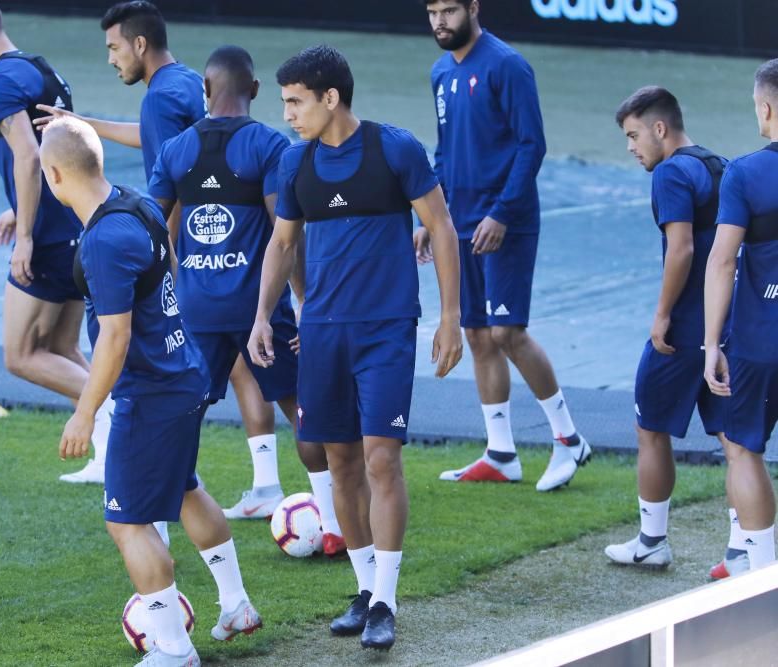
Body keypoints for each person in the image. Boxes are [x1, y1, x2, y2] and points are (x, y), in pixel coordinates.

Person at [249, 45, 463, 650]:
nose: (288, 113)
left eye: (295, 101)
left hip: (386, 329)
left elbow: (442, 228)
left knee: (380, 459)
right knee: (337, 459)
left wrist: (450, 320)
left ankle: (388, 601)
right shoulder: (295, 166)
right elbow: (283, 245)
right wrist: (263, 315)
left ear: (330, 98)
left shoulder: (395, 149)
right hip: (321, 331)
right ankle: (367, 591)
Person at [40, 116, 262, 666]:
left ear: (53, 174)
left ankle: (173, 647)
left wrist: (85, 413)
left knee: (127, 520)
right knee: (186, 489)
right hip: (184, 375)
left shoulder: (105, 240)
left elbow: (115, 337)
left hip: (152, 391)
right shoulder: (137, 204)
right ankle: (235, 605)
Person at [36, 1, 281, 491]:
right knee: (246, 370)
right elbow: (159, 142)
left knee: (203, 382)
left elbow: (173, 181)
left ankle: (175, 485)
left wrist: (161, 265)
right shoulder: (186, 81)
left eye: (113, 47)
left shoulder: (158, 99)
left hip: (200, 261)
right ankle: (266, 485)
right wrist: (83, 124)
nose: (110, 58)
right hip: (230, 254)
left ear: (139, 44)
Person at [148, 45, 345, 554]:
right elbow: (288, 238)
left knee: (177, 414)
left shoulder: (175, 151)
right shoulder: (270, 146)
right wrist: (303, 303)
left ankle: (160, 531)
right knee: (303, 408)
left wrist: (175, 282)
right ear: (255, 90)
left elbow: (151, 229)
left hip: (196, 312)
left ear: (205, 91)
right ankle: (330, 523)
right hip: (260, 309)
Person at [0, 0, 114, 485]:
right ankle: (109, 453)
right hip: (80, 224)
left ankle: (119, 412)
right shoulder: (41, 69)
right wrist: (20, 207)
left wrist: (26, 236)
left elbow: (30, 153)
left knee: (21, 356)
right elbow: (63, 152)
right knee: (61, 346)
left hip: (52, 238)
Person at [421, 0, 590, 491]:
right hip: (461, 224)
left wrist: (501, 213)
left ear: (473, 8)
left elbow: (530, 145)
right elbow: (445, 149)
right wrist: (433, 214)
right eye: (431, 11)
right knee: (476, 335)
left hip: (505, 223)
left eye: (449, 10)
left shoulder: (508, 65)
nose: (439, 21)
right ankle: (501, 454)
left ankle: (568, 440)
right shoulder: (440, 73)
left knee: (506, 332)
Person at [605, 86, 745, 577]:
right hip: (730, 327)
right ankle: (743, 551)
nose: (631, 146)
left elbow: (681, 249)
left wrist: (663, 313)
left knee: (650, 428)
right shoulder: (720, 165)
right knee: (736, 442)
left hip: (684, 327)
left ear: (660, 129)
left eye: (633, 134)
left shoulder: (669, 173)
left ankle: (651, 541)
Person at [703, 58, 778, 571]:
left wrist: (711, 345)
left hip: (760, 340)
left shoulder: (746, 173)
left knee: (745, 450)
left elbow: (723, 260)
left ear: (766, 107)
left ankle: (764, 575)